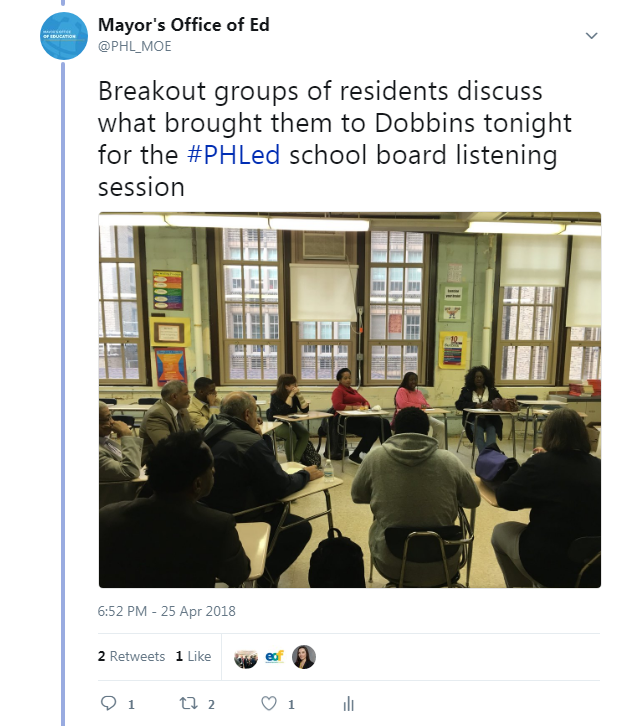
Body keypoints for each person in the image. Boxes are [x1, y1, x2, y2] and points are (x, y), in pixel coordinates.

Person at [99, 431, 250, 588]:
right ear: (197, 484)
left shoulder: (107, 515)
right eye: (211, 467)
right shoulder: (218, 525)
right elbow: (238, 575)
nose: (214, 471)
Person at [202, 392, 323, 587]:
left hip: (208, 511)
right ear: (247, 414)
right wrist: (305, 475)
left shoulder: (209, 430)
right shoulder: (248, 442)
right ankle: (265, 578)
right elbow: (280, 486)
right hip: (240, 514)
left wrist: (258, 437)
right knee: (298, 527)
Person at [352, 407, 480, 586]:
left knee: (378, 522)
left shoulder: (375, 458)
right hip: (445, 562)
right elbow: (473, 500)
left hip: (391, 562)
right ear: (427, 431)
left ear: (395, 430)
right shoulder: (449, 460)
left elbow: (357, 496)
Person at [486, 408, 601, 588]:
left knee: (499, 531)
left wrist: (532, 465)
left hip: (548, 563)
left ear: (548, 433)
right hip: (594, 568)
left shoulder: (540, 464)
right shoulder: (599, 466)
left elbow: (504, 498)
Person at [332, 367, 391, 465]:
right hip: (345, 420)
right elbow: (337, 406)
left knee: (383, 422)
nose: (348, 380)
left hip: (360, 417)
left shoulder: (353, 391)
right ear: (340, 380)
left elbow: (365, 401)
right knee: (374, 429)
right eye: (345, 378)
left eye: (349, 378)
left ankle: (388, 451)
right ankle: (357, 454)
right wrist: (354, 407)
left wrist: (366, 405)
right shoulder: (338, 391)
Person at [139, 380, 193, 464]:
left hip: (177, 456)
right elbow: (166, 447)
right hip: (155, 462)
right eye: (186, 394)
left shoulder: (182, 409)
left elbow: (193, 429)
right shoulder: (157, 414)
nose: (189, 397)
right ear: (174, 397)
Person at [455, 365, 504, 453]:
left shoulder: (492, 391)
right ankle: (485, 455)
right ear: (472, 378)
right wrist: (475, 405)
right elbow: (459, 404)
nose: (479, 379)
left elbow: (501, 403)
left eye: (481, 377)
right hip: (474, 420)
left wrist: (492, 405)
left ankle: (488, 454)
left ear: (485, 379)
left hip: (491, 420)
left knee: (492, 431)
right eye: (476, 377)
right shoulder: (466, 391)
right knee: (478, 432)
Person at [392, 372, 445, 448]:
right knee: (426, 428)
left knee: (441, 426)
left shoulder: (419, 392)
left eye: (415, 380)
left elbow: (426, 405)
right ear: (406, 381)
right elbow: (403, 405)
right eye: (411, 380)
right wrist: (421, 406)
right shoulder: (402, 390)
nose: (413, 382)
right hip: (406, 418)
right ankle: (425, 449)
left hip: (422, 416)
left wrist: (424, 406)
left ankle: (439, 449)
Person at [268, 374, 310, 462]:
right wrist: (290, 396)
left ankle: (295, 460)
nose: (296, 386)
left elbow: (305, 409)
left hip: (290, 421)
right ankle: (291, 461)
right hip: (277, 423)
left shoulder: (295, 395)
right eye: (294, 384)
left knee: (305, 433)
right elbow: (283, 411)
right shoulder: (275, 395)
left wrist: (299, 395)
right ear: (286, 386)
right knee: (291, 435)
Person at [99, 402, 142, 482]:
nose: (112, 422)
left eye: (111, 417)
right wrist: (127, 436)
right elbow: (130, 472)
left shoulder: (104, 440)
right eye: (107, 418)